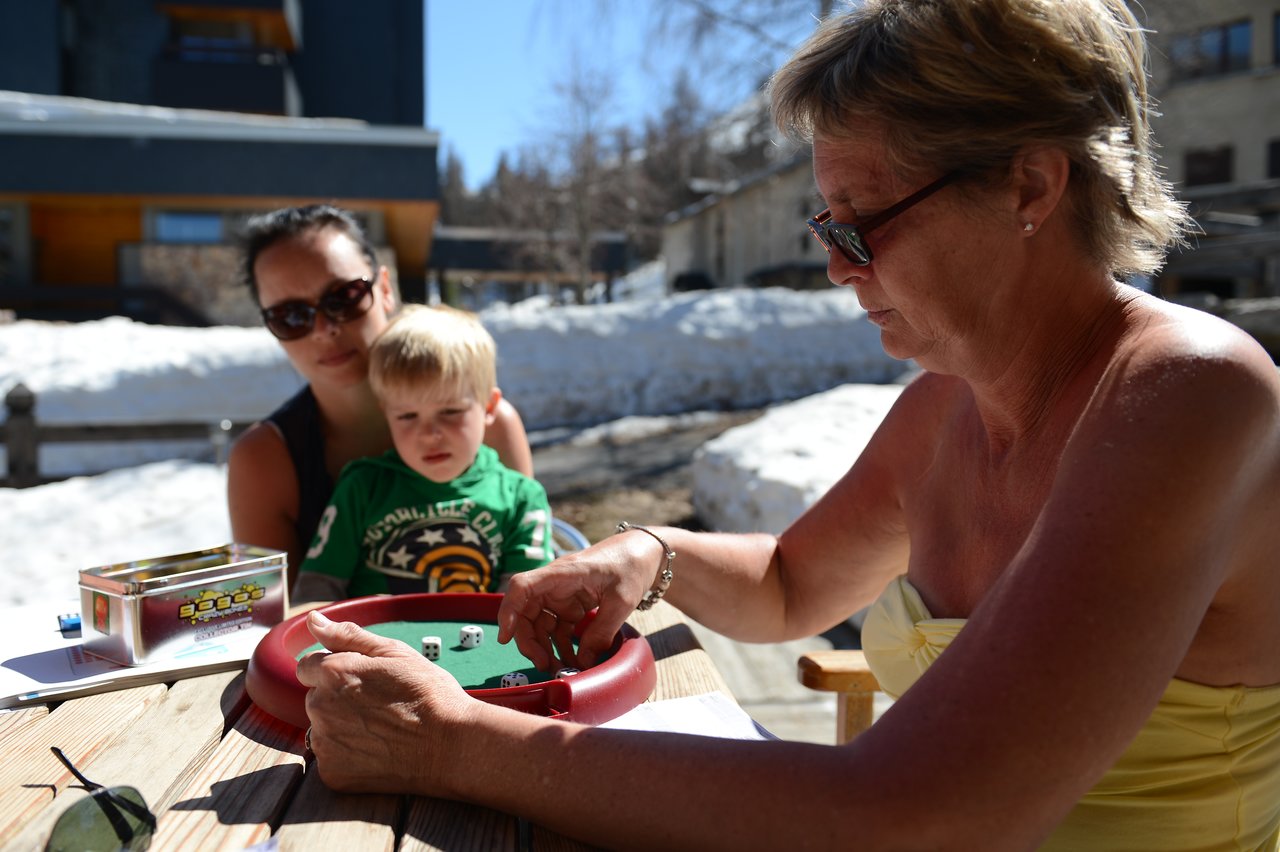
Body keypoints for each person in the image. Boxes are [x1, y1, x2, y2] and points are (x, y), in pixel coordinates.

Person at [295, 1, 1280, 848]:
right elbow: (792, 582)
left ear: (1028, 185)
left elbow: (925, 818)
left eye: (859, 221)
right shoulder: (945, 404)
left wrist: (459, 746)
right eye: (824, 227)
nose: (835, 267)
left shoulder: (1186, 395)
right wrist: (649, 553)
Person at [227, 205, 534, 589]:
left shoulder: (494, 424)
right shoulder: (263, 461)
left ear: (385, 289)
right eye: (291, 316)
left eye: (343, 296)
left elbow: (525, 574)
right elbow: (274, 622)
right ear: (271, 327)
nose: (324, 329)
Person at [292, 303, 555, 604]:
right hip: (370, 646)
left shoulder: (522, 498)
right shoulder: (362, 488)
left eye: (450, 411)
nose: (429, 434)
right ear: (386, 414)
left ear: (489, 407)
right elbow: (317, 590)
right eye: (406, 416)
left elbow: (528, 602)